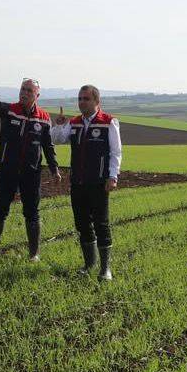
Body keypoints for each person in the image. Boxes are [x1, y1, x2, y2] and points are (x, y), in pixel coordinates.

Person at [0, 79, 61, 261]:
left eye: (29, 90)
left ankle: (34, 254)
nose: (24, 93)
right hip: (7, 170)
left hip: (31, 173)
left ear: (37, 95)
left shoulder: (44, 118)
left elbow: (48, 146)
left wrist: (54, 169)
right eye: (23, 89)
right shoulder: (10, 110)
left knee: (32, 212)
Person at [51, 84, 122, 280]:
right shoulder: (74, 123)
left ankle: (105, 268)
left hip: (99, 183)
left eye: (86, 99)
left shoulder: (109, 122)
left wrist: (112, 176)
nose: (82, 102)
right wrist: (58, 125)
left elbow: (116, 153)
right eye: (80, 99)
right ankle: (89, 264)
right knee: (82, 224)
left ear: (97, 102)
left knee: (101, 224)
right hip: (78, 182)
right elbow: (57, 139)